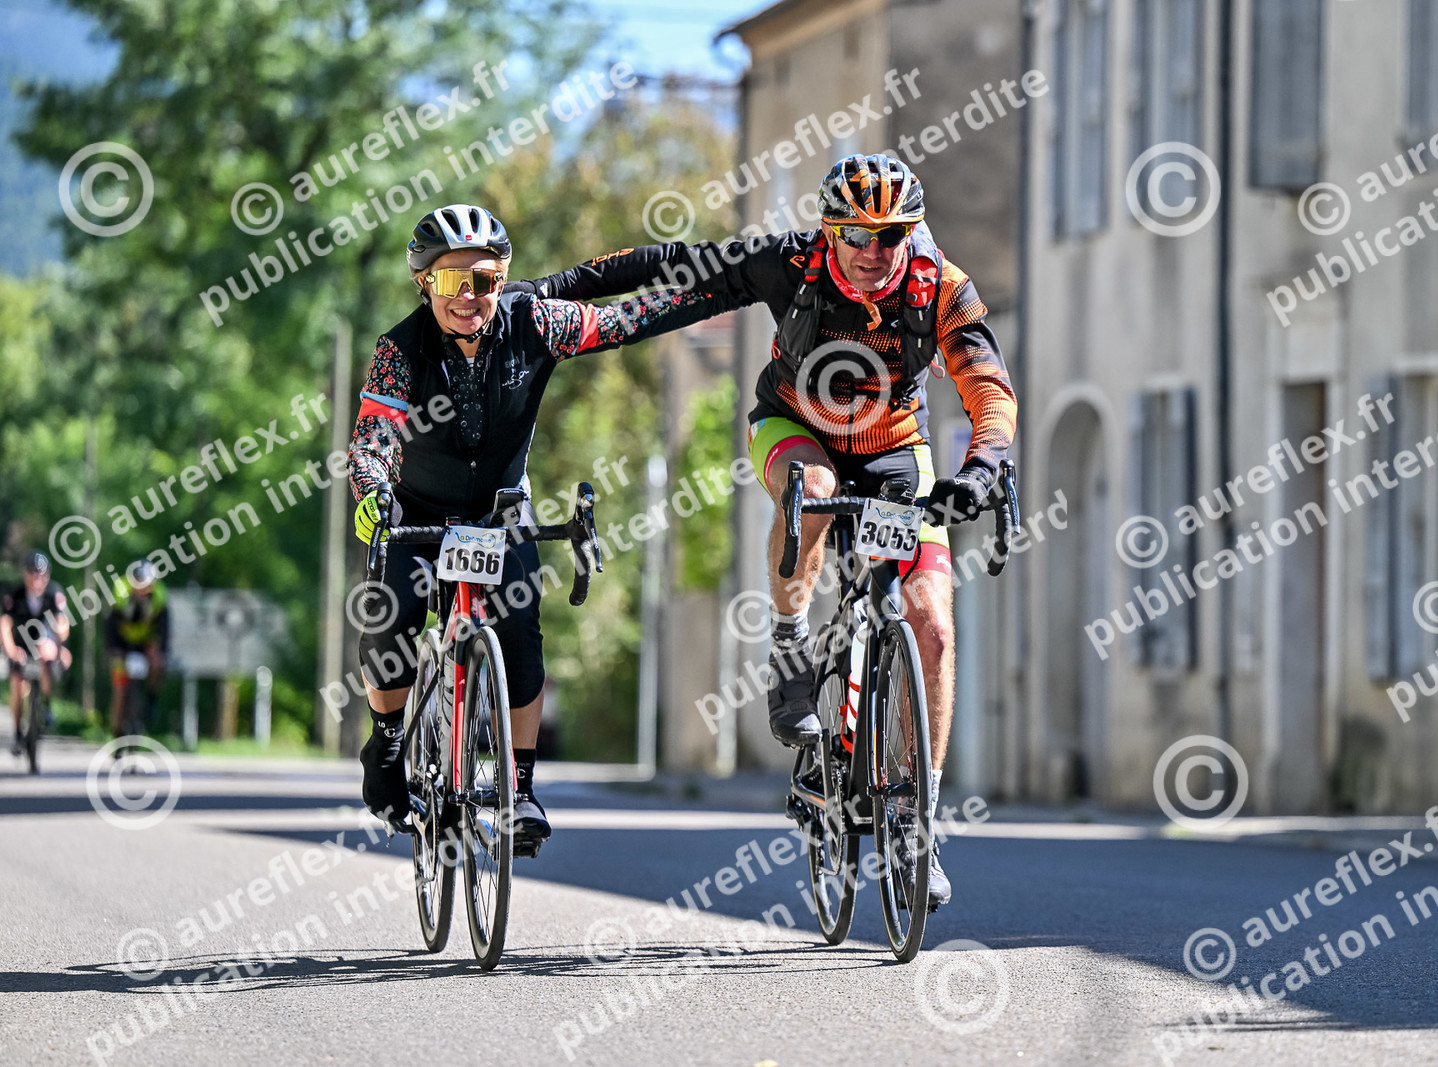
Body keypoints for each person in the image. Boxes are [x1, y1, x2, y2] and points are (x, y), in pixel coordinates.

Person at [528, 154, 1018, 905]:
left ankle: (916, 818)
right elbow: (670, 266)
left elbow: (990, 389)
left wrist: (982, 468)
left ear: (911, 233)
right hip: (794, 429)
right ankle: (790, 642)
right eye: (857, 234)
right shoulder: (787, 264)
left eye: (891, 234)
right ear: (831, 230)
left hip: (895, 449)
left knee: (933, 627)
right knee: (813, 491)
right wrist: (544, 293)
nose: (874, 250)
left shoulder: (941, 286)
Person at [348, 203, 712, 853]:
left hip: (498, 513)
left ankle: (519, 788)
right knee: (391, 611)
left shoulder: (536, 321)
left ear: (503, 281)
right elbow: (374, 436)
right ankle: (388, 741)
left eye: (485, 280)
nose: (469, 296)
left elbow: (627, 320)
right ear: (424, 283)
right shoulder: (398, 350)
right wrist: (372, 489)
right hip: (418, 513)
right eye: (451, 281)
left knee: (519, 630)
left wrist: (730, 287)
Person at [1, 551, 73, 754]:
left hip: (44, 645)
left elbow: (61, 623)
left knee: (46, 652)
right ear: (24, 574)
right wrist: (11, 650)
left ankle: (46, 705)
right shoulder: (13, 595)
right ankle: (17, 733)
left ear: (47, 575)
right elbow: (5, 625)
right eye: (32, 572)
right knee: (17, 684)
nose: (36, 578)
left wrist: (61, 648)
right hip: (19, 646)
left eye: (41, 574)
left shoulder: (54, 594)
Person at [105, 560, 169, 734]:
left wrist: (159, 649)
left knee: (159, 663)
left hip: (145, 643)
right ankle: (117, 731)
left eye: (146, 585)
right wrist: (113, 649)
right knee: (120, 690)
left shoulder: (159, 596)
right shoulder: (120, 592)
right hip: (122, 644)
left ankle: (152, 699)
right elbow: (110, 624)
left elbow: (164, 627)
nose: (142, 589)